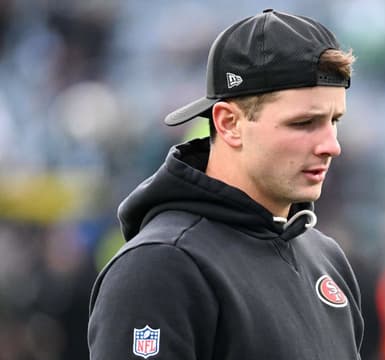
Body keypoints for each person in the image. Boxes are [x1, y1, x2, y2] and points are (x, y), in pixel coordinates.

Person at [87, 9, 363, 359]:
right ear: (229, 123)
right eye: (304, 122)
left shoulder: (326, 259)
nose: (331, 145)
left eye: (334, 120)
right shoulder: (160, 268)